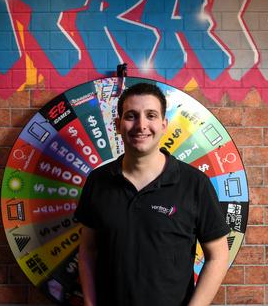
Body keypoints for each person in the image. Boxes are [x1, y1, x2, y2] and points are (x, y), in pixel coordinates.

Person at [75, 83, 230, 306]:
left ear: (163, 124)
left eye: (151, 115)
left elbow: (218, 256)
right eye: (131, 116)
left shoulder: (195, 184)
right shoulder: (98, 181)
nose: (141, 125)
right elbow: (88, 250)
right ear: (118, 125)